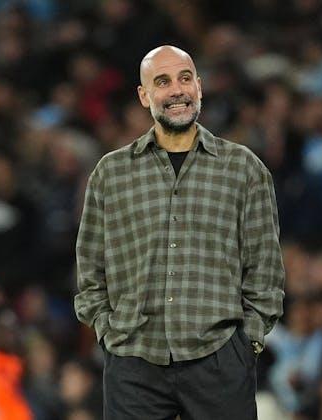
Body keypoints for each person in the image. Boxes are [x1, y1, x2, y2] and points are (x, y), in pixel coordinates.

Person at [74, 45, 285, 420]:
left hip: (220, 358)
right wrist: (107, 332)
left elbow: (265, 269)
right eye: (162, 82)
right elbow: (90, 267)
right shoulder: (111, 173)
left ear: (199, 87)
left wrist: (246, 344)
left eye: (185, 78)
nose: (176, 90)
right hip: (133, 360)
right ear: (144, 96)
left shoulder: (243, 169)